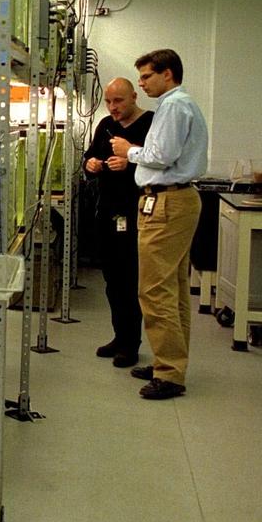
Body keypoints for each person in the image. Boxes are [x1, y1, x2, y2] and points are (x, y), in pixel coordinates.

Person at [109, 49, 209, 400]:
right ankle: (171, 362)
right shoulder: (180, 105)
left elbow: (160, 156)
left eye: (147, 77)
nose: (143, 83)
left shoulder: (173, 106)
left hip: (167, 201)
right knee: (174, 287)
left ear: (168, 75)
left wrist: (127, 151)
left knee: (154, 289)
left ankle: (169, 372)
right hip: (175, 199)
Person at [84, 78, 153, 369]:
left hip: (136, 212)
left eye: (118, 101)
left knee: (131, 279)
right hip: (107, 210)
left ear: (134, 97)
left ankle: (131, 343)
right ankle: (119, 336)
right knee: (112, 279)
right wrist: (91, 165)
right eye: (109, 102)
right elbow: (90, 155)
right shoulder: (104, 125)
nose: (112, 107)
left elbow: (159, 163)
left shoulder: (151, 124)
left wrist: (130, 162)